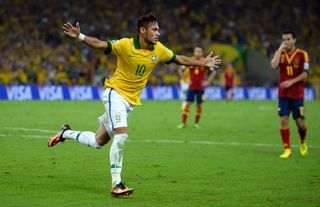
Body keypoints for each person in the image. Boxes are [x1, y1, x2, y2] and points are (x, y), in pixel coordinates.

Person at [48, 13, 221, 197]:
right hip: (115, 95)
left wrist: (202, 63)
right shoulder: (125, 44)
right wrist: (80, 37)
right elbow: (100, 44)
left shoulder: (158, 49)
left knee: (98, 141)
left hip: (129, 102)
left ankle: (65, 132)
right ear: (142, 30)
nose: (158, 33)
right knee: (121, 136)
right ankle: (117, 184)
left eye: (158, 29)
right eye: (154, 29)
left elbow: (180, 59)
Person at [270, 31, 309, 158]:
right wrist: (279, 50)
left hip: (297, 94)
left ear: (294, 40)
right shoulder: (280, 53)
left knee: (300, 123)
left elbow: (305, 74)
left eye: (288, 39)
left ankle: (302, 140)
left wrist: (291, 82)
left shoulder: (302, 54)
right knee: (283, 119)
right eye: (284, 40)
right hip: (283, 94)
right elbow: (273, 66)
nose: (286, 42)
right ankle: (287, 149)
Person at [177, 46, 216, 129]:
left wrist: (208, 82)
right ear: (194, 52)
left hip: (201, 87)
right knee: (187, 104)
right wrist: (185, 80)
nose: (197, 53)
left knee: (199, 105)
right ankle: (183, 123)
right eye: (196, 51)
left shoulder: (205, 61)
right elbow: (180, 70)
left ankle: (196, 123)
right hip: (191, 87)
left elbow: (213, 72)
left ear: (202, 53)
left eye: (199, 52)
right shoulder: (190, 60)